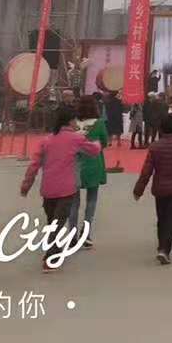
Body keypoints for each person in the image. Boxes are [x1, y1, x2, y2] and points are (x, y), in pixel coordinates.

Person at [19, 105, 100, 273]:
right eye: (75, 119)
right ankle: (51, 257)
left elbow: (34, 165)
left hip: (48, 189)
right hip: (66, 189)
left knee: (53, 222)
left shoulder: (47, 140)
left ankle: (53, 251)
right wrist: (97, 143)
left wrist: (26, 184)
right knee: (58, 223)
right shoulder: (75, 139)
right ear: (70, 121)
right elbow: (94, 151)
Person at [133, 113, 172, 263]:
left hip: (160, 188)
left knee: (161, 218)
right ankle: (164, 249)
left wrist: (138, 190)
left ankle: (161, 245)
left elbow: (146, 171)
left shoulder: (155, 146)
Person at [67, 96, 108, 248]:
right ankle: (86, 234)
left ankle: (72, 235)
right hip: (93, 163)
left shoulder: (72, 123)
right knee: (91, 200)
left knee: (73, 202)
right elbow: (104, 142)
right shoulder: (99, 123)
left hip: (74, 164)